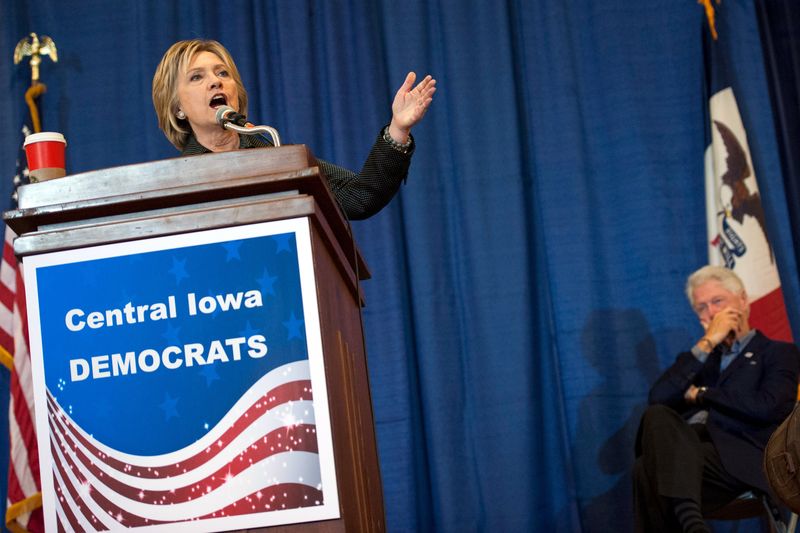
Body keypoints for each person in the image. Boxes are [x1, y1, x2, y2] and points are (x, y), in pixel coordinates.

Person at [152, 39, 436, 220]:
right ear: (177, 107)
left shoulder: (272, 152)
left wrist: (398, 128)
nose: (215, 82)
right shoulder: (176, 182)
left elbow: (359, 198)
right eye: (197, 77)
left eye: (222, 73)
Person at [634, 265, 800, 533]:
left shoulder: (777, 352)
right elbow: (658, 398)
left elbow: (770, 408)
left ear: (743, 300)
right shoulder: (697, 361)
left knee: (646, 471)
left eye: (717, 301)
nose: (711, 313)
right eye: (701, 308)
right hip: (690, 457)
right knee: (658, 417)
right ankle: (694, 525)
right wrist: (708, 342)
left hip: (740, 456)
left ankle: (691, 524)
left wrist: (702, 394)